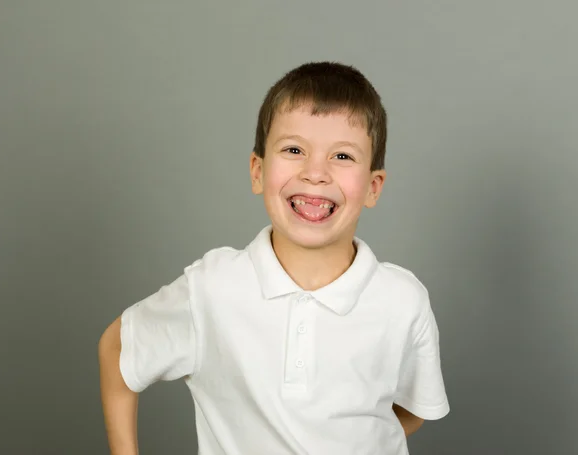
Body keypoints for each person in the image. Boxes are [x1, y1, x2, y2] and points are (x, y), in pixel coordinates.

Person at [98, 61, 450, 455]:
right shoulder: (211, 290)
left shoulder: (402, 300)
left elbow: (410, 411)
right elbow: (117, 348)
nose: (315, 173)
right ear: (257, 171)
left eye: (343, 156)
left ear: (373, 187)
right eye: (294, 149)